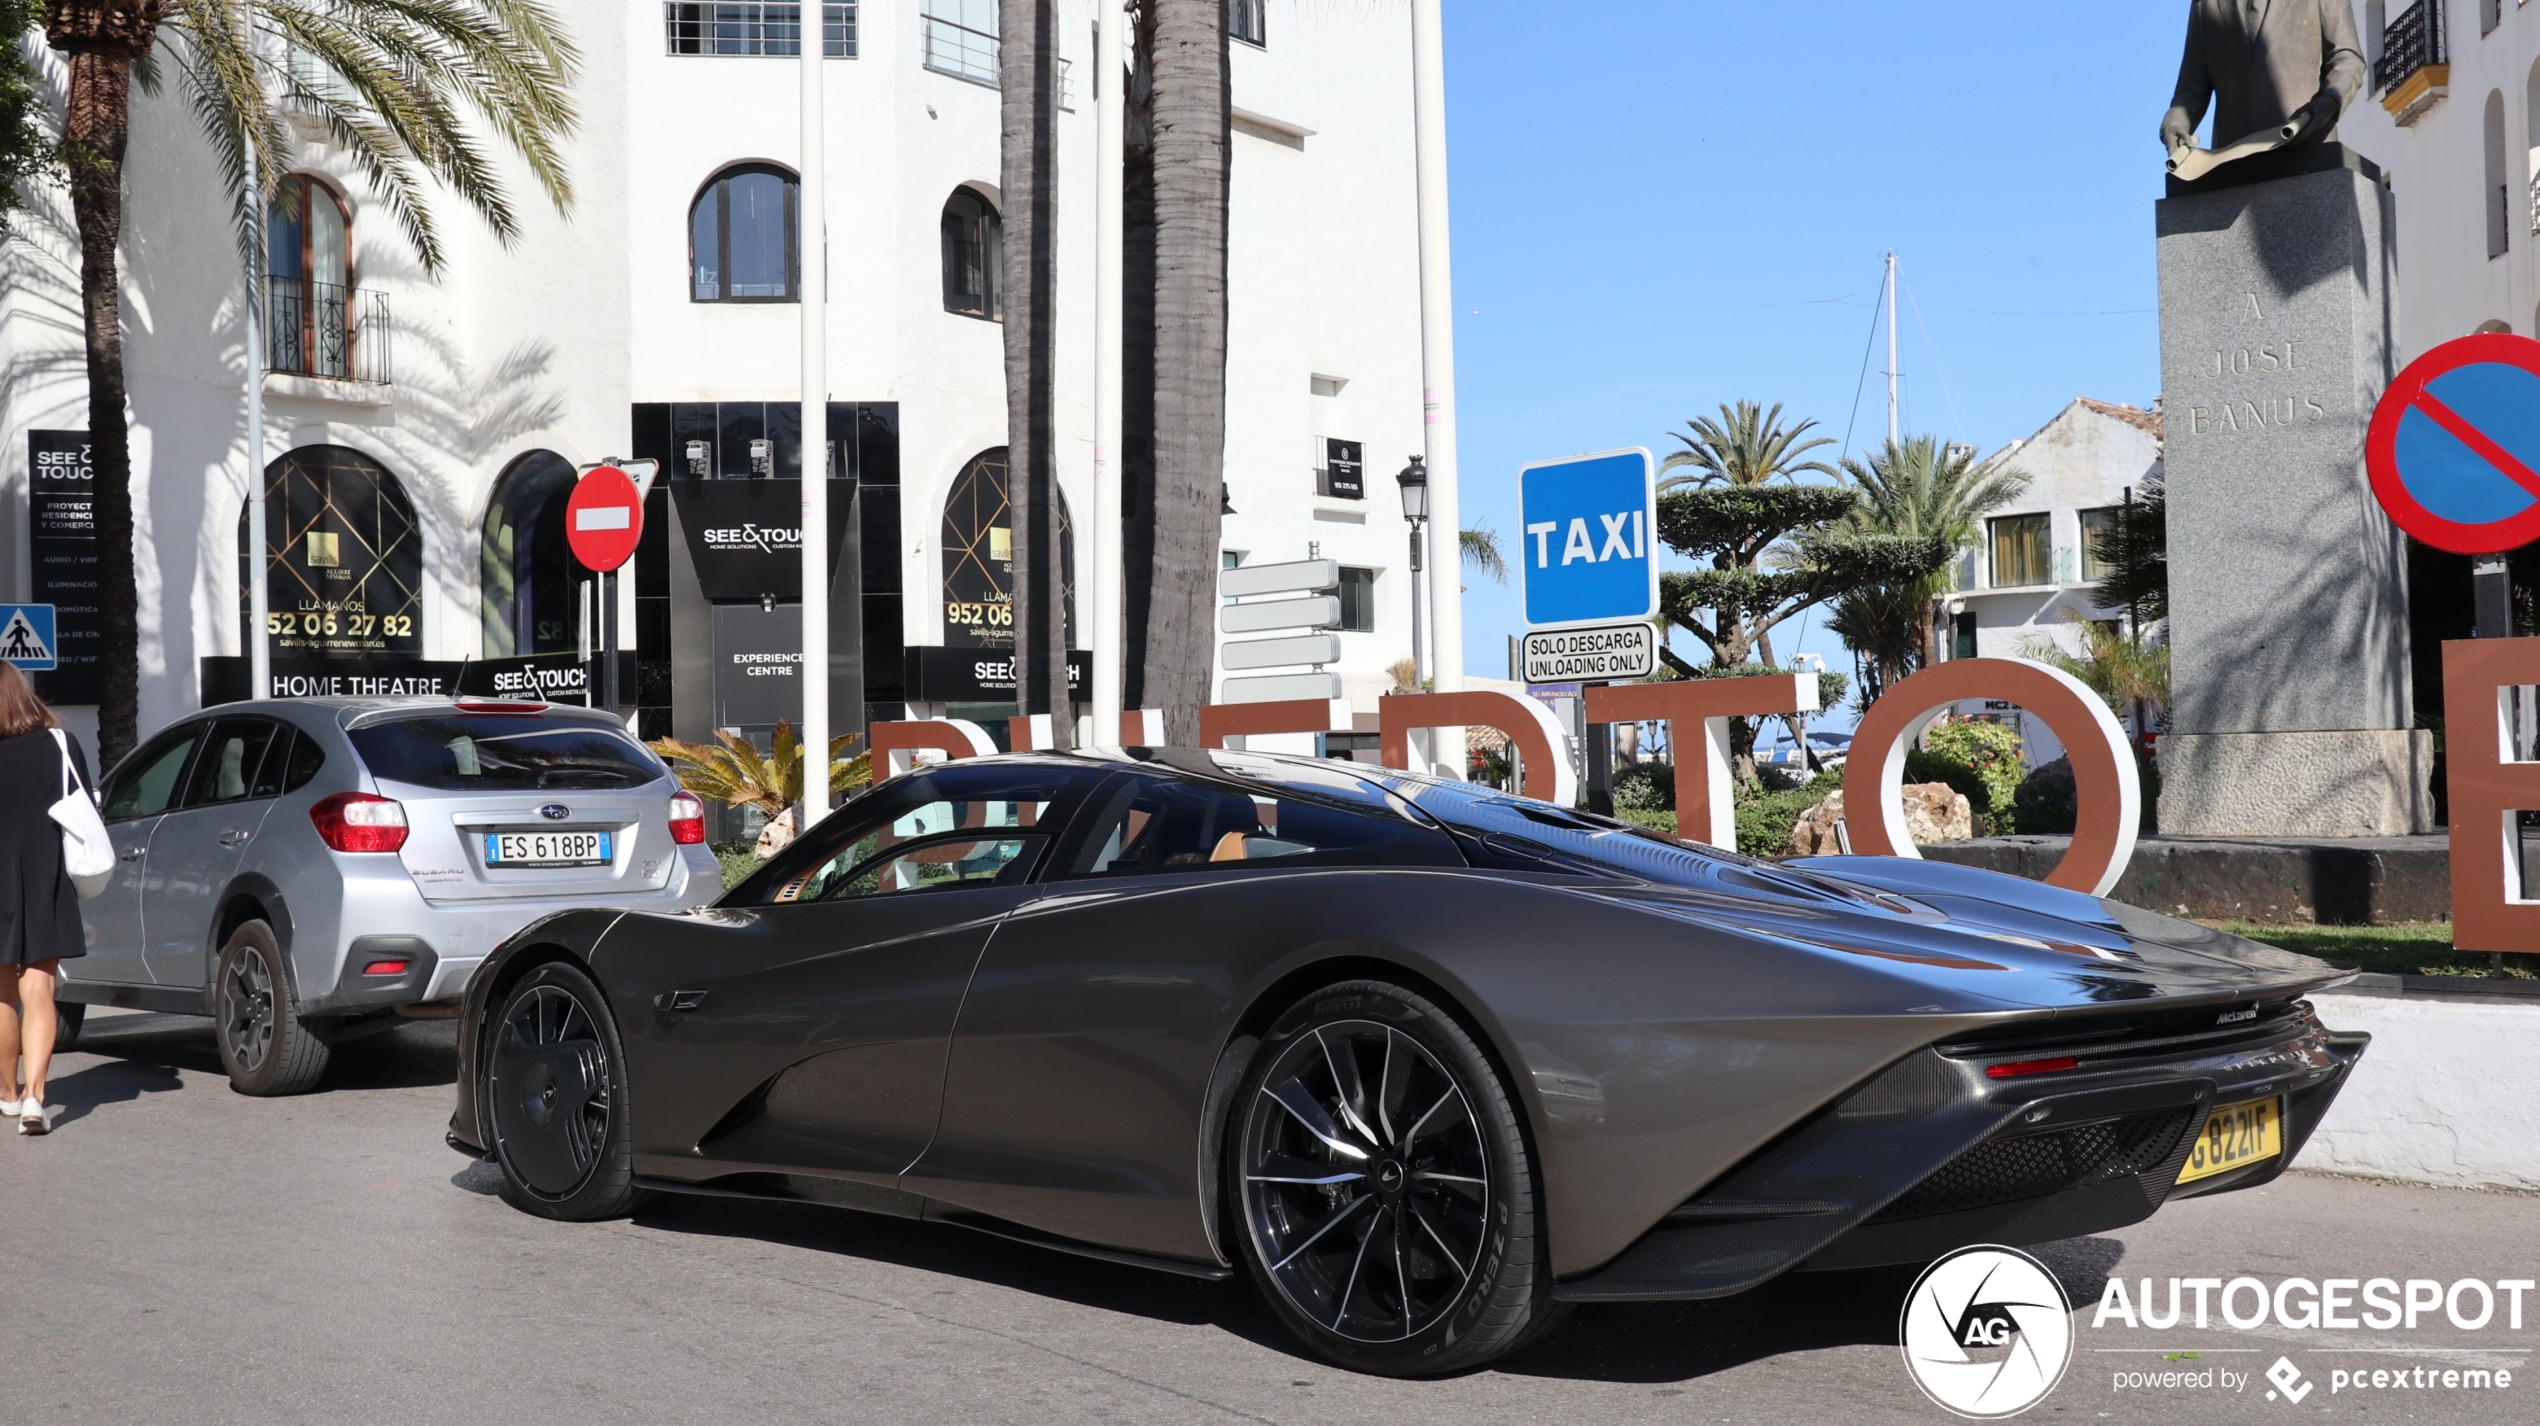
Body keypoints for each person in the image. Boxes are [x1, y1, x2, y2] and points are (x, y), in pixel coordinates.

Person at [0, 661, 92, 1134]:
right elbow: (86, 812)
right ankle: (36, 1097)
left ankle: (9, 1095)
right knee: (39, 986)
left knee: (0, 993)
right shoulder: (61, 746)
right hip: (44, 874)